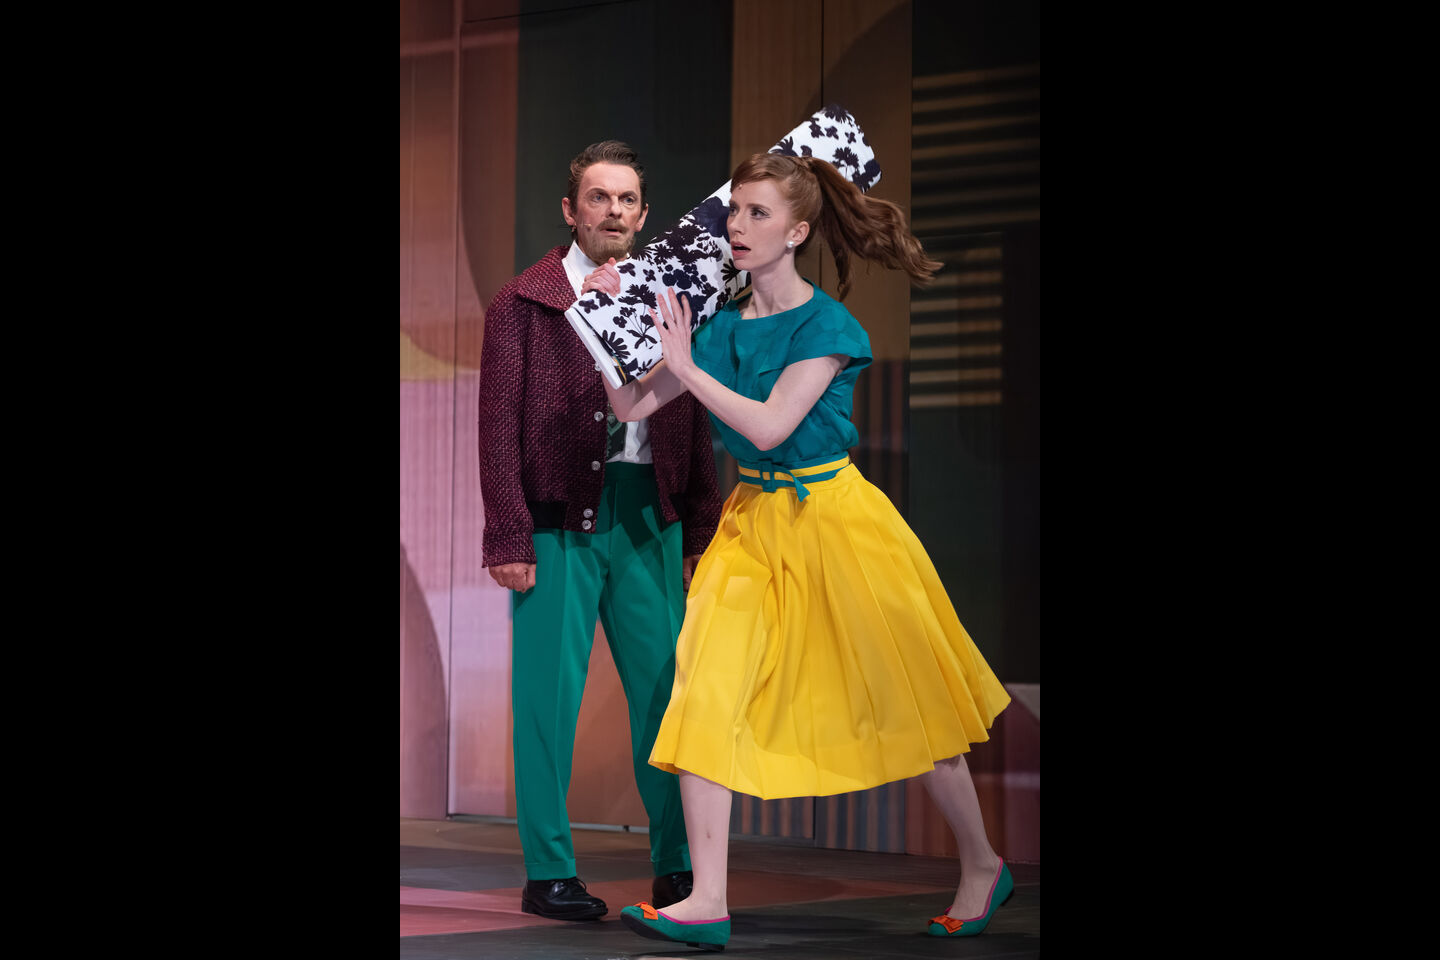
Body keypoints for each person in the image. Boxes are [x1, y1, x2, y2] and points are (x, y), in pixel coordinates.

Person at [602, 153, 1015, 951]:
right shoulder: (717, 325)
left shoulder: (826, 327)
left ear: (796, 232)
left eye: (757, 214)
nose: (737, 226)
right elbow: (630, 402)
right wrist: (611, 321)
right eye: (734, 211)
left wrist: (685, 364)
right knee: (704, 691)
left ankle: (980, 862)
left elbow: (768, 427)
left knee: (908, 699)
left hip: (834, 520)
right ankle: (706, 900)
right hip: (751, 525)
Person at [476, 140, 723, 922]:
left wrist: (700, 529)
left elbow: (696, 415)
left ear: (644, 215)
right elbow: (496, 429)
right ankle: (549, 872)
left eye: (627, 200)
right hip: (558, 517)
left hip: (648, 514)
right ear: (570, 209)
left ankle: (679, 870)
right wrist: (508, 535)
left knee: (667, 697)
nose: (613, 210)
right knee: (546, 702)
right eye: (598, 197)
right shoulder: (525, 302)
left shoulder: (671, 296)